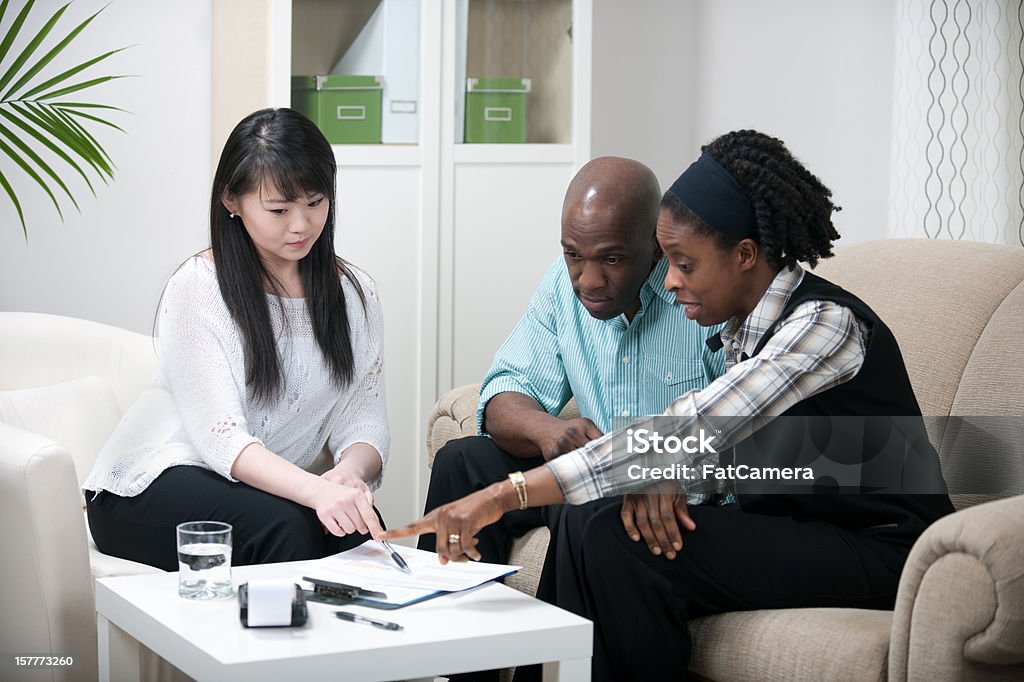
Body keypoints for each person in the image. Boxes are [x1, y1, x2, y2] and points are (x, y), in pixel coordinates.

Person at [386, 130, 954, 681]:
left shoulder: (823, 326)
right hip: (797, 521)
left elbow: (695, 425)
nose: (672, 281)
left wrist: (505, 494)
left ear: (745, 255)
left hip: (885, 547)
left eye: (683, 263)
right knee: (605, 519)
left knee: (613, 533)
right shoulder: (740, 331)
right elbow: (754, 455)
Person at [83, 108, 389, 571]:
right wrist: (316, 490)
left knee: (360, 526)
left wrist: (348, 475)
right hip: (148, 485)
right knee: (288, 528)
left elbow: (365, 422)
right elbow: (220, 439)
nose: (301, 225)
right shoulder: (199, 287)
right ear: (232, 199)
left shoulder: (354, 293)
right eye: (279, 209)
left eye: (315, 202)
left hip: (252, 490)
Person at [418, 156, 725, 565]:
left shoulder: (700, 296)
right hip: (594, 476)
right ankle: (444, 618)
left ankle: (560, 629)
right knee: (463, 461)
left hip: (672, 495)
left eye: (612, 259)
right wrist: (548, 430)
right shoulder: (562, 285)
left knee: (590, 507)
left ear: (655, 244)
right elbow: (505, 391)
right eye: (574, 254)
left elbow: (749, 439)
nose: (588, 279)